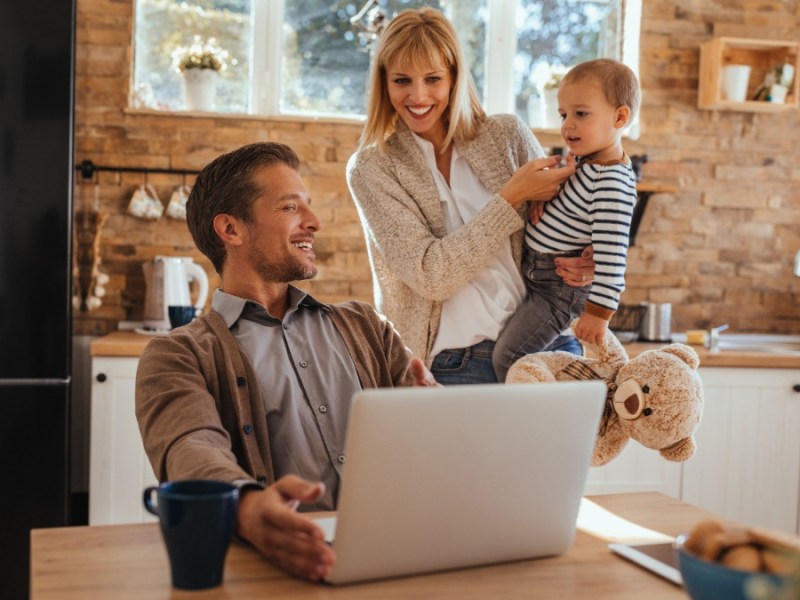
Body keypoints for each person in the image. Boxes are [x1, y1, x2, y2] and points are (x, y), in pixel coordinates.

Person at [135, 142, 438, 582]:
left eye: (307, 207)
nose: (313, 223)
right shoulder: (178, 355)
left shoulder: (366, 326)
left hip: (398, 558)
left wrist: (436, 414)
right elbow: (190, 447)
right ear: (231, 230)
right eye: (290, 207)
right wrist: (246, 505)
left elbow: (427, 429)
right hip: (277, 573)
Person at [346, 7, 595, 385]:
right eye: (402, 80)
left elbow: (565, 225)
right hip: (458, 366)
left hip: (549, 347)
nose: (418, 95)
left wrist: (587, 261)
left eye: (432, 79)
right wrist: (509, 198)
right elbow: (431, 275)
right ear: (384, 83)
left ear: (454, 78)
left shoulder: (507, 136)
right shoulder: (372, 169)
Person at [492, 59, 640, 382]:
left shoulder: (611, 182)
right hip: (538, 275)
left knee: (509, 357)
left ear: (620, 117)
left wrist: (597, 314)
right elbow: (567, 207)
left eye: (581, 114)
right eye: (564, 114)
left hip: (556, 289)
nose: (568, 125)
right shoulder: (586, 163)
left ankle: (545, 422)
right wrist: (540, 201)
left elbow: (614, 257)